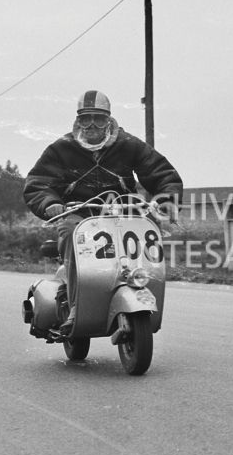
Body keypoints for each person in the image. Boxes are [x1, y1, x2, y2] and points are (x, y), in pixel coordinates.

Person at [23, 90, 184, 333]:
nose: (91, 125)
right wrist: (50, 204)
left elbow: (160, 171)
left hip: (125, 211)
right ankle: (76, 304)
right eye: (85, 118)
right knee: (68, 230)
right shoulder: (61, 148)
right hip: (80, 212)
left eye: (98, 119)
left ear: (108, 120)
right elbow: (38, 183)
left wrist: (168, 199)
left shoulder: (127, 144)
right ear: (78, 120)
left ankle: (142, 286)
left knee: (151, 225)